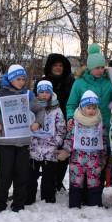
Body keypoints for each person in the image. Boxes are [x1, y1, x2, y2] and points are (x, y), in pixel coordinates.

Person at [0, 64, 37, 213]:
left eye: (24, 79)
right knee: (4, 175)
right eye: (18, 79)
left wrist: (37, 122)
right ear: (10, 79)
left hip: (23, 141)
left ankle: (18, 204)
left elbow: (39, 110)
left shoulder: (28, 95)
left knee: (22, 175)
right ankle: (0, 204)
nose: (21, 82)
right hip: (6, 142)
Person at [62, 90, 107, 208]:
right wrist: (66, 150)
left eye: (94, 108)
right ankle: (74, 205)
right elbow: (70, 138)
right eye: (88, 108)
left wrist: (104, 155)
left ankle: (94, 205)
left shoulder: (99, 122)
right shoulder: (76, 122)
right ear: (82, 107)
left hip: (94, 159)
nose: (91, 111)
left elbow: (103, 139)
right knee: (76, 182)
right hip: (77, 159)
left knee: (94, 182)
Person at [29, 80, 67, 204]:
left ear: (51, 93)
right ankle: (29, 198)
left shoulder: (56, 109)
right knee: (31, 176)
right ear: (37, 93)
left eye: (47, 92)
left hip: (50, 150)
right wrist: (29, 141)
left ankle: (48, 199)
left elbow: (61, 129)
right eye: (41, 92)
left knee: (49, 177)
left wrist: (55, 143)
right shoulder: (32, 107)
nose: (44, 95)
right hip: (34, 149)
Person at [41, 53, 74, 193]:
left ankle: (58, 181)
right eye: (55, 65)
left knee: (63, 153)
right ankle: (48, 182)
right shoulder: (42, 82)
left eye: (61, 65)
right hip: (45, 123)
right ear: (50, 67)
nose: (58, 68)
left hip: (65, 122)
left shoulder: (70, 82)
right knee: (47, 153)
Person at [67, 43, 112, 128]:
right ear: (90, 67)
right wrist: (70, 117)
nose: (100, 70)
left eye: (102, 67)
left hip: (105, 125)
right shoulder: (79, 83)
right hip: (85, 126)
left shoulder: (108, 82)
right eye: (97, 68)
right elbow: (71, 104)